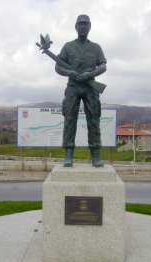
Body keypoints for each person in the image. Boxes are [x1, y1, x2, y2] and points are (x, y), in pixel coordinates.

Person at [55, 14, 107, 167]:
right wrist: (68, 73)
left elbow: (103, 65)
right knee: (70, 119)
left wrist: (90, 74)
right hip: (73, 87)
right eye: (80, 24)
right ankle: (68, 154)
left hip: (90, 87)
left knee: (94, 120)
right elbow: (58, 66)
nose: (83, 26)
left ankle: (96, 155)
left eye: (86, 24)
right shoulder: (68, 46)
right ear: (76, 27)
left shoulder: (96, 47)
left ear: (90, 27)